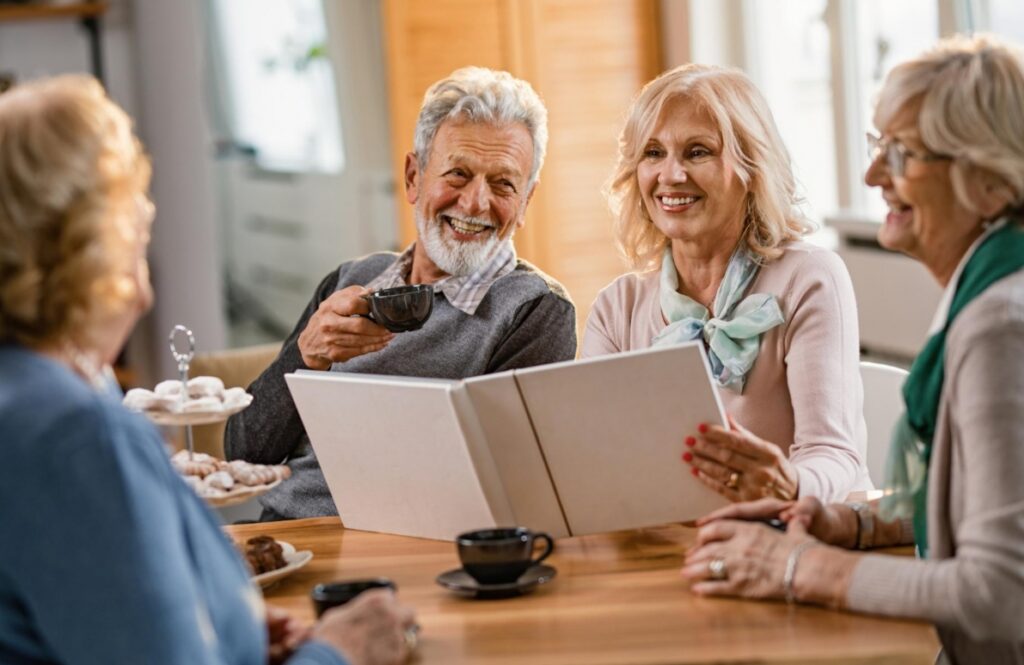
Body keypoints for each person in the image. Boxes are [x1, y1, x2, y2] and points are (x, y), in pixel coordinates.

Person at [0, 75, 416, 665]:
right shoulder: (77, 436)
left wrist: (229, 633)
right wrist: (337, 655)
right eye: (134, 205)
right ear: (94, 243)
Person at [682, 34, 1024, 664]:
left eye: (904, 154)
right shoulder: (987, 293)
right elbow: (983, 505)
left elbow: (1001, 594)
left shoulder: (1000, 327)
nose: (872, 175)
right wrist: (857, 524)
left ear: (991, 182)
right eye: (878, 147)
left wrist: (803, 569)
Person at [225, 67, 577, 521]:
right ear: (414, 177)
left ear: (526, 201)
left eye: (504, 184)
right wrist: (305, 357)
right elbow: (245, 455)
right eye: (458, 174)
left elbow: (507, 490)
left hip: (403, 552)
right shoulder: (349, 280)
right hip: (285, 537)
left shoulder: (534, 310)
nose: (475, 203)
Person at [582, 64, 869, 503]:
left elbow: (834, 454)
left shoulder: (809, 278)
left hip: (796, 534)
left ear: (752, 167)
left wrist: (785, 484)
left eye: (698, 152)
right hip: (668, 538)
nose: (671, 175)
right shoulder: (616, 308)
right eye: (653, 153)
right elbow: (593, 457)